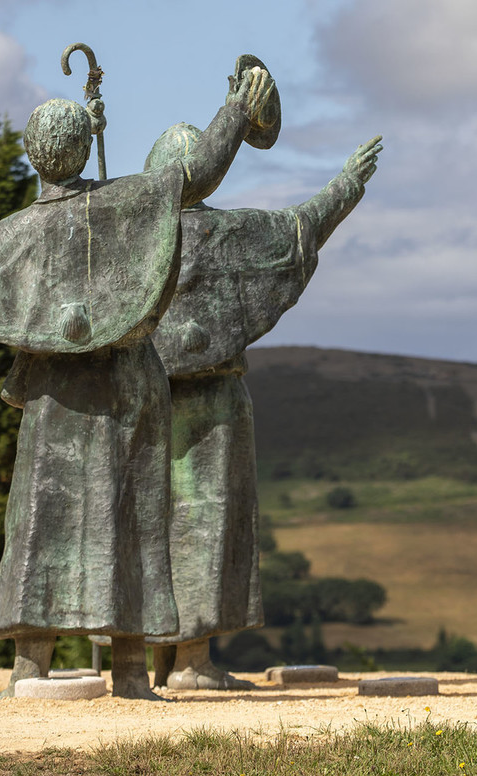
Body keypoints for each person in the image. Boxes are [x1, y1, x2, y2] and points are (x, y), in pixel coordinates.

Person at [0, 60, 278, 699]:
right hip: (132, 385)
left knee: (43, 518)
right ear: (82, 150)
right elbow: (198, 174)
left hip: (62, 394)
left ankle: (32, 672)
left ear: (32, 156)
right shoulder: (122, 204)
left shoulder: (16, 235)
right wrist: (239, 111)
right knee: (130, 516)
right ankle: (132, 677)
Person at [143, 133, 382, 689]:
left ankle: (155, 663)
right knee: (202, 519)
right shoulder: (224, 235)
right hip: (211, 405)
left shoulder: (124, 234)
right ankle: (193, 664)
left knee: (150, 523)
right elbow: (300, 229)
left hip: (140, 401)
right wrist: (347, 183)